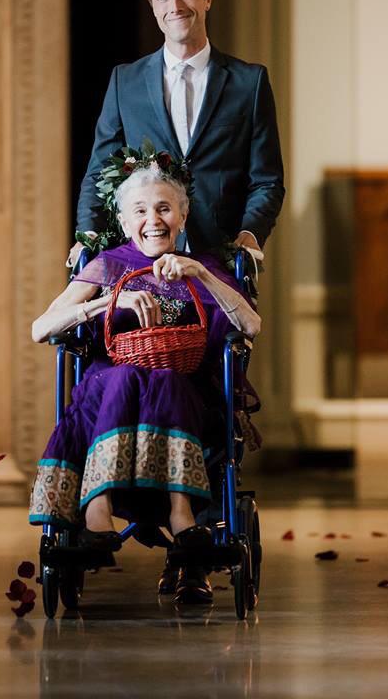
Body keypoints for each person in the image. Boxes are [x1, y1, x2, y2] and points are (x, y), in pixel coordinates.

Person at [30, 163, 261, 605]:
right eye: (140, 210)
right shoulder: (109, 264)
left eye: (163, 208)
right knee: (124, 375)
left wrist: (201, 275)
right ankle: (100, 505)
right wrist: (106, 301)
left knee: (167, 380)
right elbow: (41, 328)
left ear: (183, 215)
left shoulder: (204, 266)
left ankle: (180, 508)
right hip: (108, 395)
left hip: (182, 394)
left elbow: (250, 323)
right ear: (123, 221)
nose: (152, 220)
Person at [71, 0, 285, 264]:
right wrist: (88, 235)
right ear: (153, 6)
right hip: (143, 259)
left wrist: (250, 234)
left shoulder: (249, 83)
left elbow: (267, 180)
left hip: (220, 261)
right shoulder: (124, 82)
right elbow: (99, 171)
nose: (175, 6)